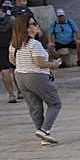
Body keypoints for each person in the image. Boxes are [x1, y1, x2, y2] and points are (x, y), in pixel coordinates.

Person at [9, 13, 63, 144]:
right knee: (55, 103)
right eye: (34, 24)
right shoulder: (34, 44)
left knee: (35, 107)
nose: (37, 26)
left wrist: (24, 65)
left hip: (20, 76)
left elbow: (12, 60)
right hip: (37, 76)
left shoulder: (14, 44)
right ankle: (44, 130)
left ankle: (43, 136)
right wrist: (54, 65)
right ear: (26, 28)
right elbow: (39, 63)